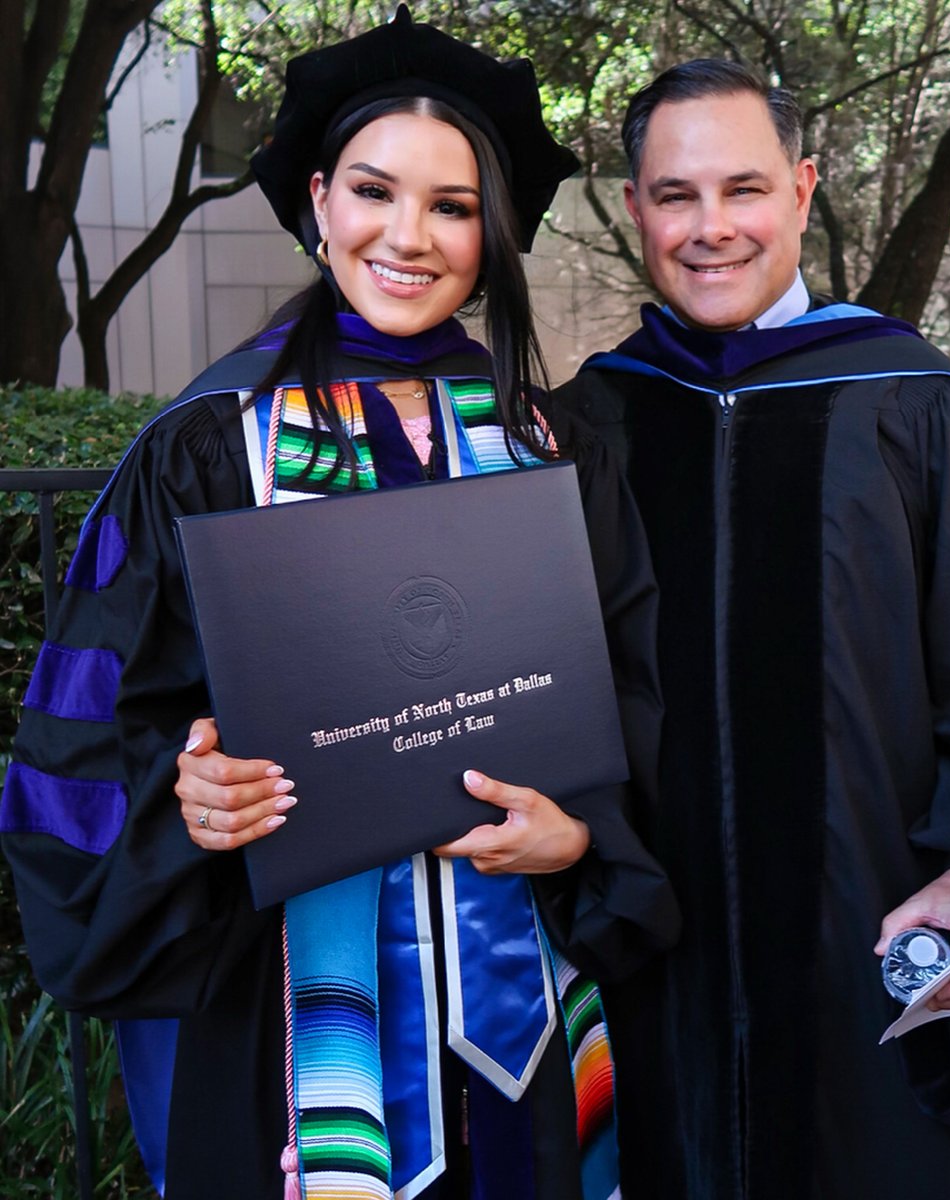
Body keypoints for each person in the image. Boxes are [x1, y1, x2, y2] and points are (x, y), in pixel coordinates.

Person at [0, 12, 678, 1198]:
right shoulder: (207, 446)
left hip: (525, 986)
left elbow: (633, 689)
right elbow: (89, 731)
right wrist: (186, 795)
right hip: (285, 1012)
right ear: (319, 202)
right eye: (374, 190)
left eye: (453, 207)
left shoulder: (554, 447)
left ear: (491, 234)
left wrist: (583, 842)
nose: (407, 237)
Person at [556, 58, 950, 1200]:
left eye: (744, 189)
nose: (710, 226)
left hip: (871, 938)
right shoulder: (597, 420)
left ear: (802, 190)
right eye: (675, 195)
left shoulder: (907, 403)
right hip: (649, 957)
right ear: (634, 208)